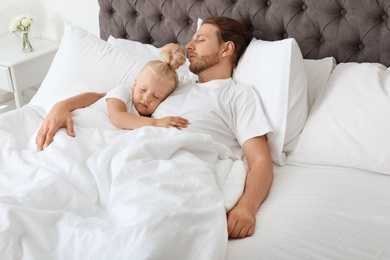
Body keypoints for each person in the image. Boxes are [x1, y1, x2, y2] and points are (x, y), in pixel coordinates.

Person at [35, 16, 274, 239]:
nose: (189, 45)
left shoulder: (238, 95)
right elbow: (116, 97)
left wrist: (246, 208)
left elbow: (261, 161)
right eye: (191, 38)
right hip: (132, 153)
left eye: (200, 40)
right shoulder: (176, 84)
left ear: (227, 49)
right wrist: (63, 105)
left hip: (181, 164)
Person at [106, 43, 189, 130]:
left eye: (156, 97)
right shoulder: (123, 92)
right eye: (143, 90)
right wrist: (156, 123)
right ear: (135, 83)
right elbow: (118, 118)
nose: (146, 98)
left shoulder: (156, 114)